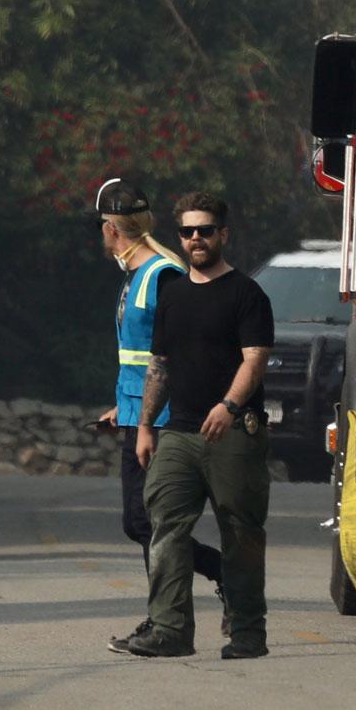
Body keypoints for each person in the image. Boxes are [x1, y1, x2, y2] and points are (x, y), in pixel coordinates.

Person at [126, 191, 275, 659]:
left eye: (205, 230)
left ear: (223, 235)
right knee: (164, 526)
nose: (196, 239)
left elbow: (255, 360)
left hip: (231, 432)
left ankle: (248, 632)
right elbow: (160, 365)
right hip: (179, 433)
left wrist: (228, 405)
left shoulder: (247, 295)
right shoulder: (172, 294)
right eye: (188, 231)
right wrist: (147, 425)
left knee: (240, 532)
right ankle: (171, 631)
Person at [89, 178, 225, 654]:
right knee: (141, 524)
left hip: (165, 420)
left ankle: (168, 619)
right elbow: (138, 357)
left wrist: (148, 419)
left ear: (111, 229)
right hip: (139, 412)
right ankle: (181, 606)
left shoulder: (163, 275)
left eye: (103, 227)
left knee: (150, 524)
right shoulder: (138, 274)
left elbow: (174, 355)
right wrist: (123, 409)